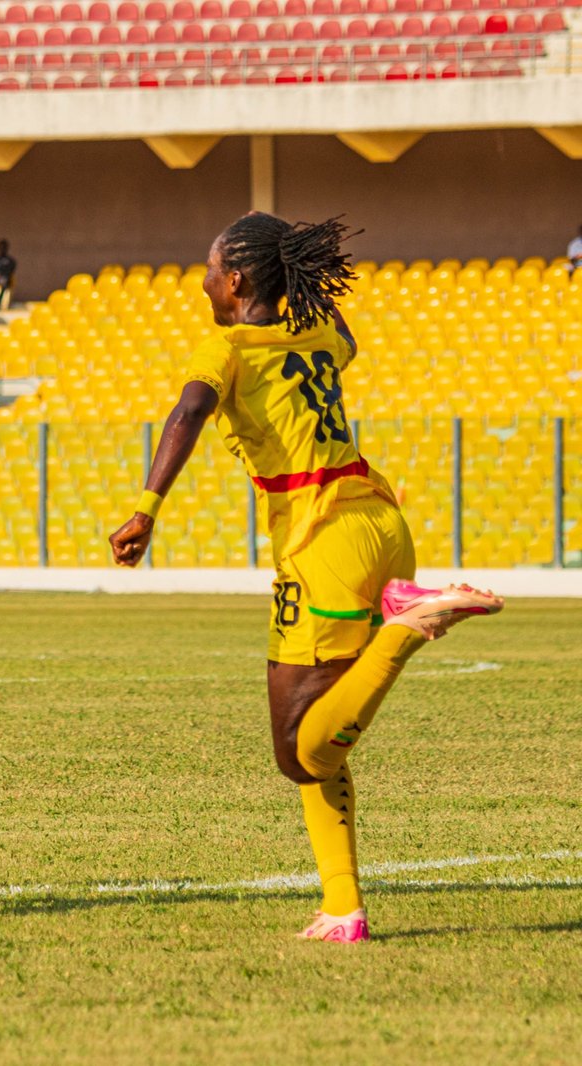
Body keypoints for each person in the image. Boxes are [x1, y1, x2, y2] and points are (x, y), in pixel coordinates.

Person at [107, 213, 503, 943]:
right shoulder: (318, 334)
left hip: (322, 541)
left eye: (210, 269)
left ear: (235, 280)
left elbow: (188, 410)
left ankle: (405, 629)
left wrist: (146, 508)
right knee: (324, 738)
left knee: (299, 751)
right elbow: (343, 334)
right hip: (381, 522)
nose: (203, 281)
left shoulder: (225, 347)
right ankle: (342, 905)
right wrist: (298, 268)